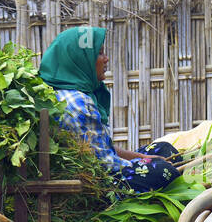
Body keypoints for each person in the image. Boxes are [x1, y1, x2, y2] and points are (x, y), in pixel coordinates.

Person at [38, 26, 181, 193]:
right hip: (99, 186)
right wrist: (148, 164)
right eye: (99, 54)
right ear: (80, 59)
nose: (106, 59)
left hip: (100, 167)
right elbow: (106, 164)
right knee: (164, 171)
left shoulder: (63, 92)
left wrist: (143, 158)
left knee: (162, 149)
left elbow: (104, 147)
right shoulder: (78, 103)